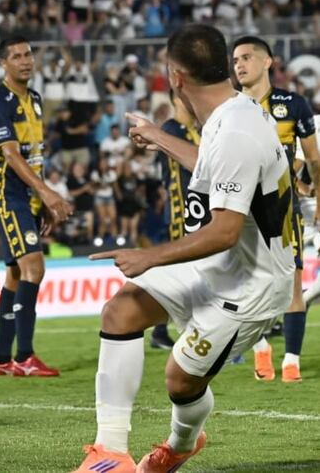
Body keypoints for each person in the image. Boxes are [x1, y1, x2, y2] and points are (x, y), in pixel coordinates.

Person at [73, 24, 294, 472]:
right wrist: (158, 136)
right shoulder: (232, 113)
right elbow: (216, 171)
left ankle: (180, 443)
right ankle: (110, 455)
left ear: (175, 76)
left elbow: (224, 230)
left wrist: (147, 256)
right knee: (122, 310)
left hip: (250, 283)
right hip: (224, 262)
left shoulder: (235, 132)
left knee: (179, 380)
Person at [0, 36, 72, 378]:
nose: (25, 61)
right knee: (34, 268)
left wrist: (42, 200)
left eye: (28, 54)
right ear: (3, 63)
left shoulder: (33, 99)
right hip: (10, 196)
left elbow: (35, 155)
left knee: (16, 274)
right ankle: (25, 357)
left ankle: (1, 359)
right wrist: (48, 194)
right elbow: (12, 155)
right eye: (16, 56)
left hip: (29, 197)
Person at [232, 35, 317, 383]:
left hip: (284, 211)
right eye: (235, 59)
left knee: (293, 285)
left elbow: (312, 158)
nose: (239, 64)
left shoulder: (293, 104)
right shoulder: (228, 108)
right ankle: (261, 347)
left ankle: (291, 361)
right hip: (240, 211)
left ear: (268, 62)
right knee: (250, 286)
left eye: (247, 57)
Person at [150, 91, 200, 351]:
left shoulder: (193, 130)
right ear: (178, 99)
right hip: (181, 210)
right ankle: (175, 329)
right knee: (184, 272)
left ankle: (161, 330)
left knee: (186, 273)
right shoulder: (171, 129)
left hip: (196, 209)